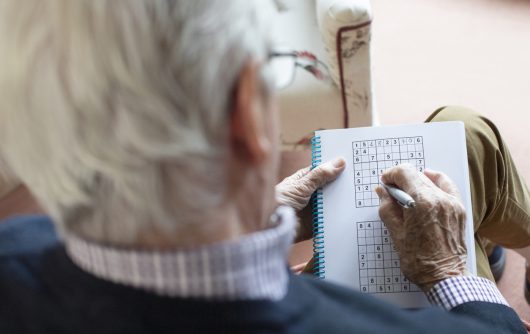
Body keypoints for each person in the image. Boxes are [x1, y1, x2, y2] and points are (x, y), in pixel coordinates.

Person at [0, 1, 527, 333]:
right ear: (249, 117)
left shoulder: (13, 255)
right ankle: (480, 246)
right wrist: (450, 275)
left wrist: (245, 219)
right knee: (467, 132)